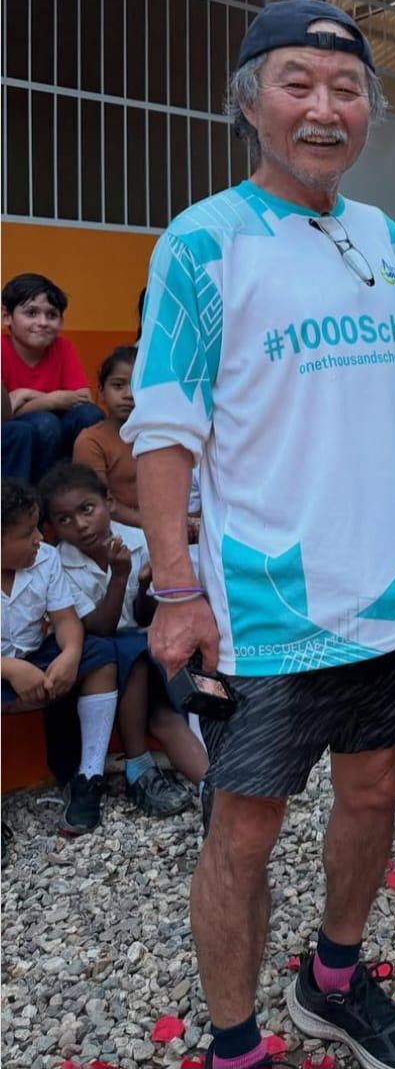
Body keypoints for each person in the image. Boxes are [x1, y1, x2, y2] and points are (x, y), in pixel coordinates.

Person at [123, 0, 395, 1069]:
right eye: (297, 83)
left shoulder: (385, 237)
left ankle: (332, 981)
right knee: (245, 828)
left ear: (369, 112)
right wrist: (177, 589)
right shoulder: (203, 241)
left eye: (346, 88)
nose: (323, 107)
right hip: (270, 608)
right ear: (250, 102)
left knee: (375, 788)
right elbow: (164, 428)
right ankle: (234, 1042)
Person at [41, 461, 207, 816]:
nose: (80, 525)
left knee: (164, 717)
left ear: (109, 502)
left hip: (143, 656)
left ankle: (215, 793)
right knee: (130, 652)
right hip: (97, 662)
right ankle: (139, 770)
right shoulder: (59, 563)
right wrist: (120, 576)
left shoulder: (137, 540)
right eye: (64, 519)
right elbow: (99, 628)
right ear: (53, 526)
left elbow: (145, 616)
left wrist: (145, 584)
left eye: (87, 509)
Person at [1, 478, 119, 833]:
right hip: (8, 669)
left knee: (99, 654)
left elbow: (67, 620)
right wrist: (9, 669)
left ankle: (88, 777)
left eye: (38, 527)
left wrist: (70, 653)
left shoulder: (46, 558)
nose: (40, 537)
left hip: (36, 659)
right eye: (27, 533)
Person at [1, 274, 104, 482]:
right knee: (44, 423)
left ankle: (84, 487)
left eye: (51, 315)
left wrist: (27, 395)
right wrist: (53, 400)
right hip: (24, 433)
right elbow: (4, 414)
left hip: (57, 428)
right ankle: (39, 495)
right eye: (31, 313)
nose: (42, 322)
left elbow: (85, 399)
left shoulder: (63, 347)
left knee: (90, 415)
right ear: (6, 317)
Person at [73, 347, 142, 527]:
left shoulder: (161, 436)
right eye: (118, 386)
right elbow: (101, 503)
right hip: (113, 528)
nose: (129, 395)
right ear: (101, 391)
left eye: (138, 386)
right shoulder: (91, 441)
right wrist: (154, 524)